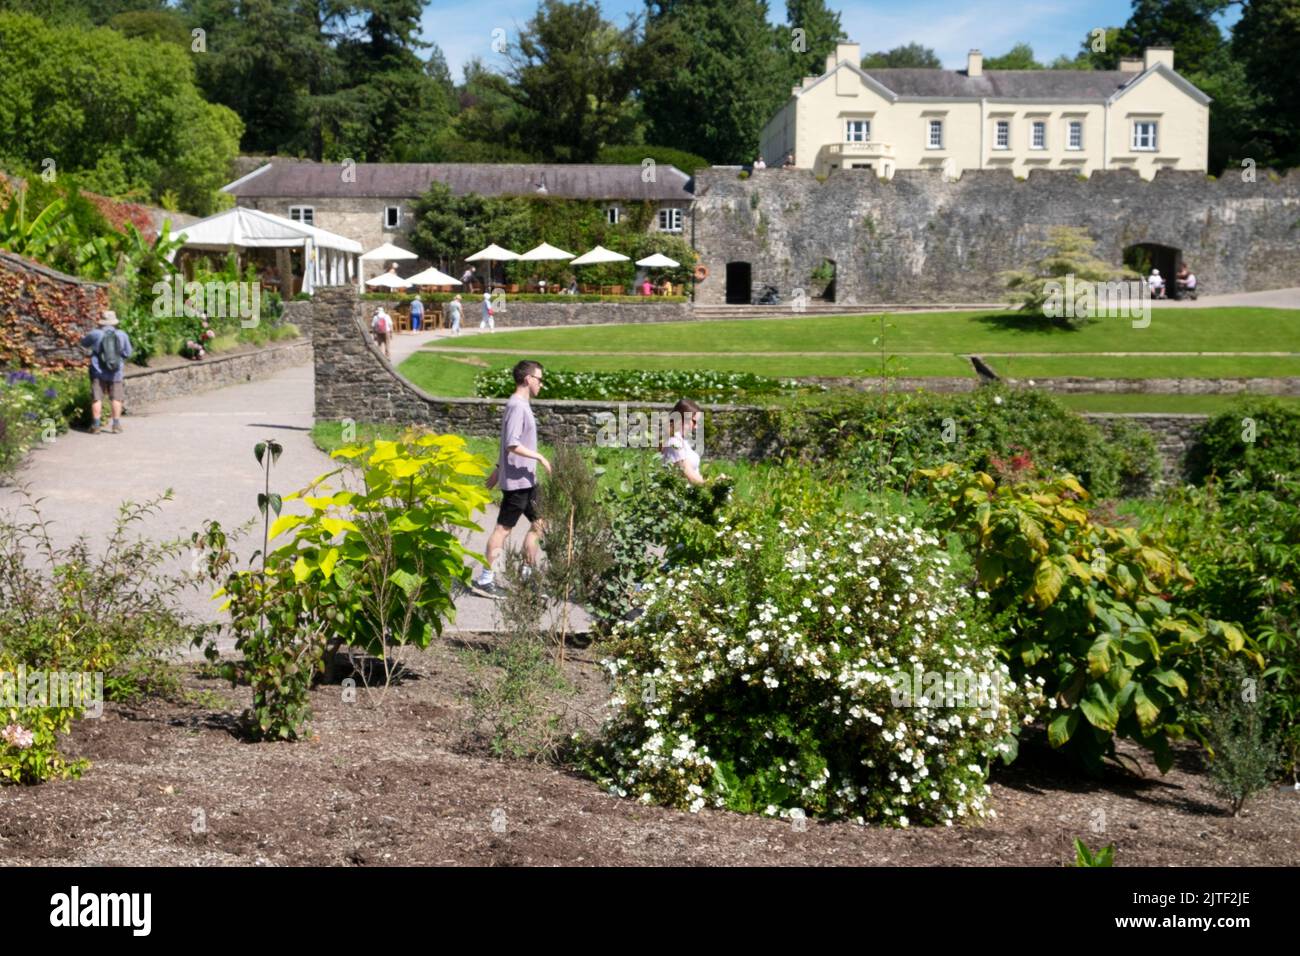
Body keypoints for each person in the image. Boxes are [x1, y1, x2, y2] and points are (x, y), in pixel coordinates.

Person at [472, 360, 551, 599]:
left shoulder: (519, 405)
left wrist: (498, 468)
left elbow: (508, 441)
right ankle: (486, 579)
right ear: (528, 379)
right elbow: (512, 444)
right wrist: (539, 457)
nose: (541, 384)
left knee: (540, 524)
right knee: (503, 529)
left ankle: (527, 577)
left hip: (527, 480)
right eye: (539, 379)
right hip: (518, 483)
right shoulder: (517, 406)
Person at [80, 309, 133, 434]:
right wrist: (118, 361)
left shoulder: (95, 334)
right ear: (114, 322)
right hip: (116, 372)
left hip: (97, 371)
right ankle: (116, 425)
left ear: (101, 322)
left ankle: (96, 426)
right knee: (116, 398)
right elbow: (128, 353)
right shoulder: (122, 335)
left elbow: (83, 343)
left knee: (97, 398)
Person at [660, 398, 705, 486]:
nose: (696, 427)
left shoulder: (681, 441)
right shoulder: (674, 443)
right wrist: (715, 485)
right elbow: (691, 477)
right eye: (694, 422)